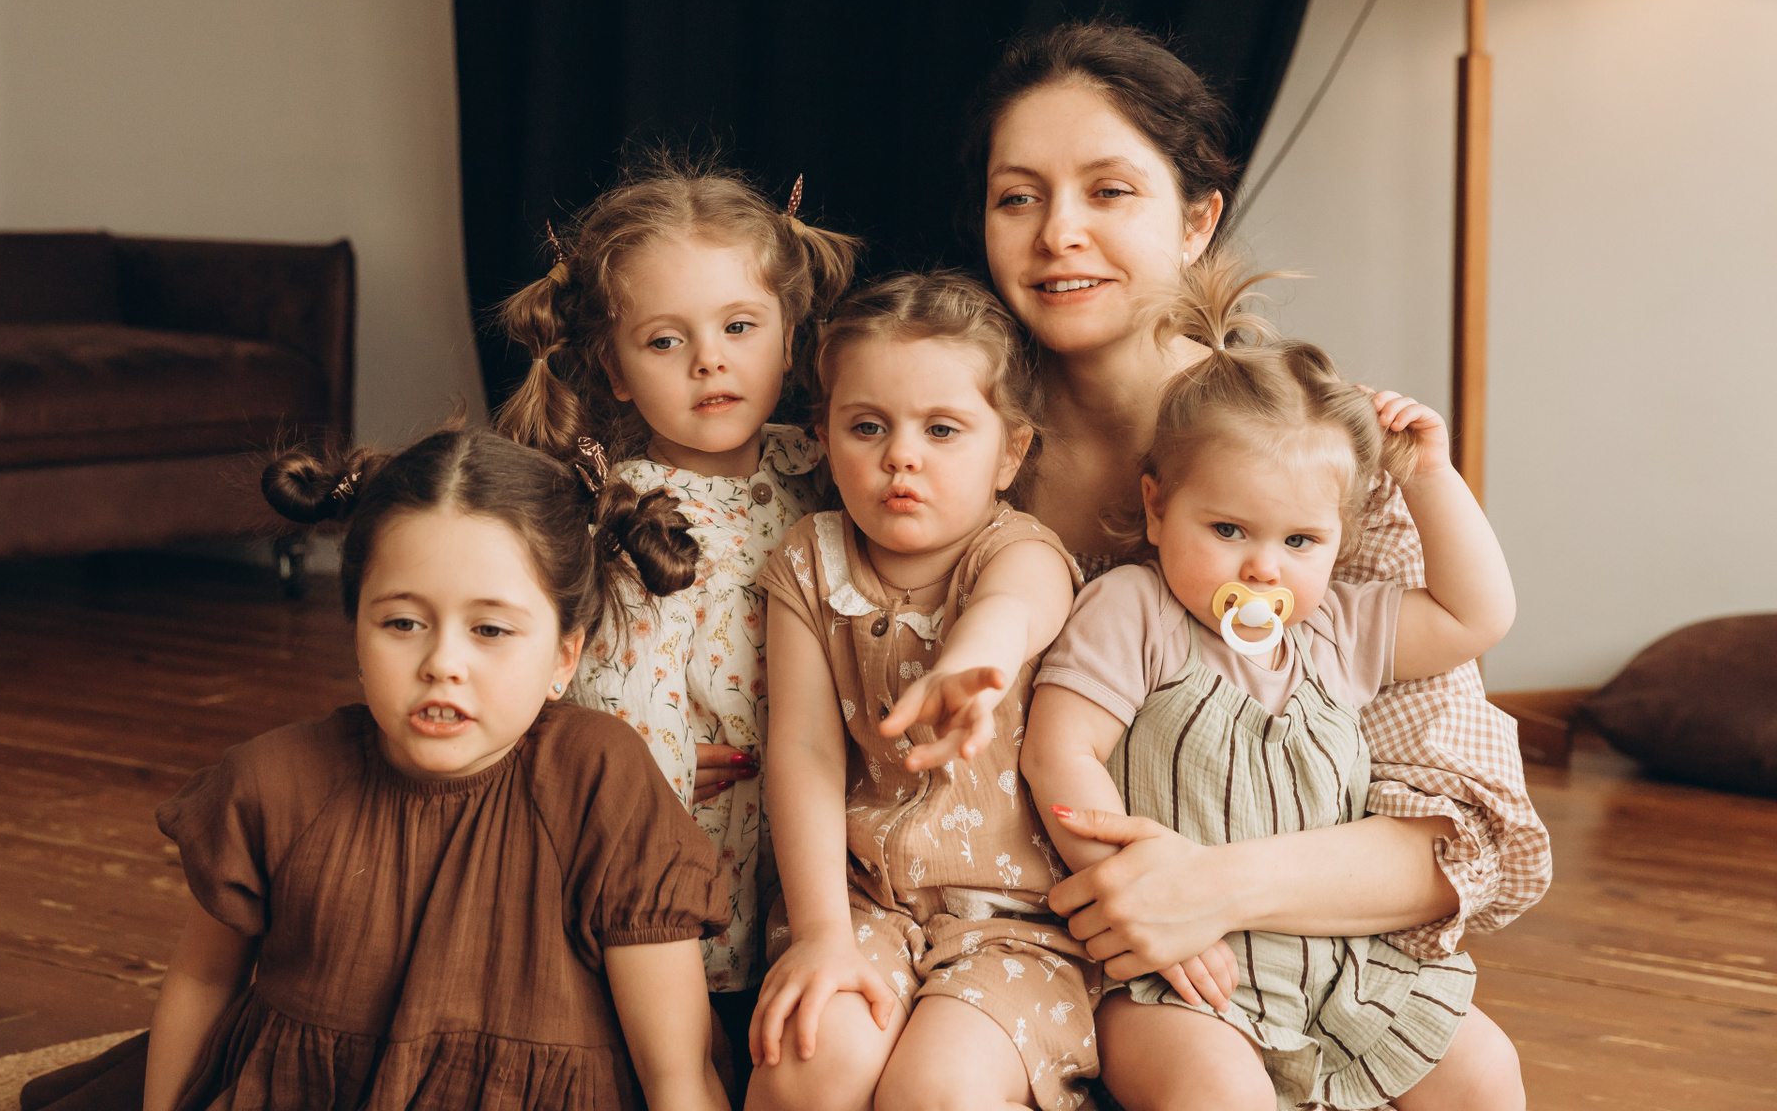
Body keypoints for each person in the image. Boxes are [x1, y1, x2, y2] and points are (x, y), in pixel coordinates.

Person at [963, 18, 1549, 999]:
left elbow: (1455, 838)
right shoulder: (943, 445)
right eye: (1017, 197)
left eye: (1110, 191)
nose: (1058, 232)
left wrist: (1200, 889)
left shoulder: (1305, 452)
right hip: (988, 942)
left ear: (1198, 222)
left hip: (1249, 964)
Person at [19, 425, 731, 1111]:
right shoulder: (274, 782)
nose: (442, 664)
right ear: (356, 628)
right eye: (402, 623)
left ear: (564, 657)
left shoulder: (601, 781)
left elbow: (675, 1067)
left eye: (490, 629)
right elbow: (203, 983)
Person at [1021, 258, 1524, 1110]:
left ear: (1339, 541)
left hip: (1337, 966)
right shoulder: (1135, 608)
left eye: (1300, 542)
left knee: (1485, 1066)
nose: (1263, 567)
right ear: (1157, 509)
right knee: (1222, 1095)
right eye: (1228, 529)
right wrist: (1133, 893)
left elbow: (1478, 615)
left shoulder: (1334, 632)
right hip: (1176, 980)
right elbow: (1057, 753)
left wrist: (1430, 476)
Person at [750, 272, 1212, 1111]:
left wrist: (969, 664)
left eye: (942, 429)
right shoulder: (808, 559)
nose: (902, 455)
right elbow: (806, 749)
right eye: (867, 426)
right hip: (858, 901)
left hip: (1020, 924)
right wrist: (820, 935)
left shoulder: (1020, 550)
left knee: (938, 1091)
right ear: (822, 439)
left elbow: (1014, 609)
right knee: (809, 1064)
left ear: (1010, 453)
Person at [495, 156, 859, 1078]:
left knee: (792, 1031)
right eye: (665, 340)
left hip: (813, 845)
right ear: (615, 372)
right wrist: (658, 772)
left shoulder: (830, 470)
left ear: (789, 341)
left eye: (740, 326)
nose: (710, 360)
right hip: (685, 839)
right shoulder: (622, 512)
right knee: (680, 1043)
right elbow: (606, 684)